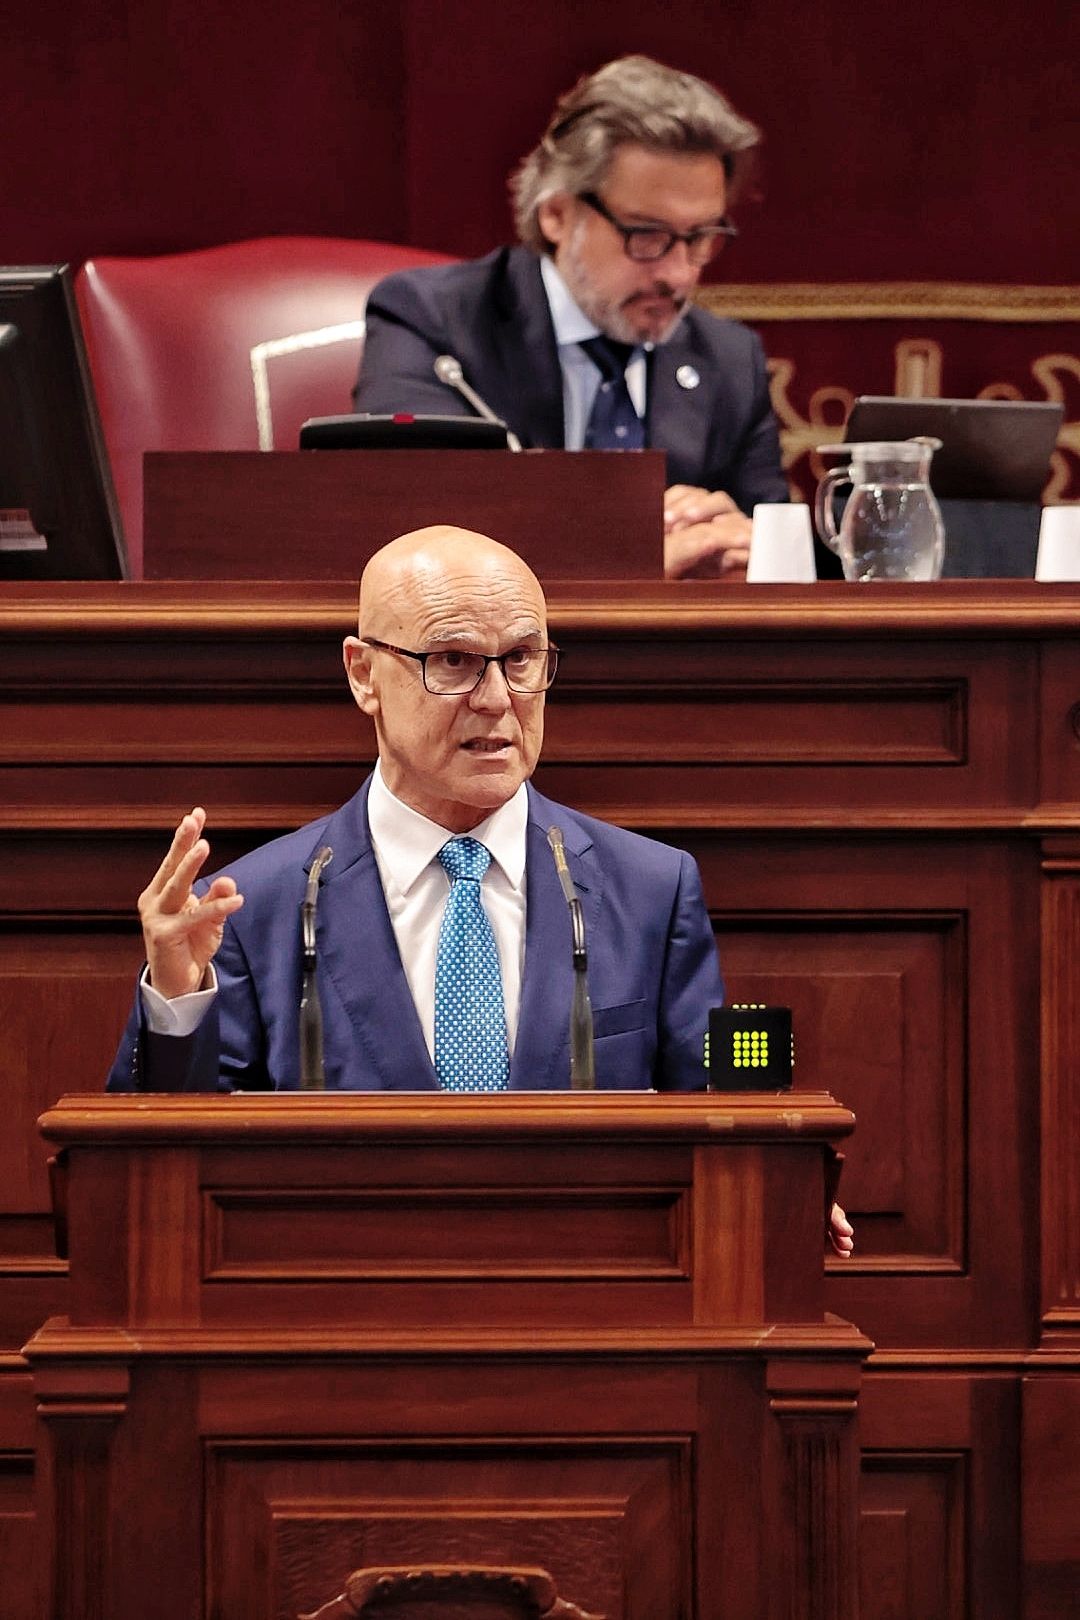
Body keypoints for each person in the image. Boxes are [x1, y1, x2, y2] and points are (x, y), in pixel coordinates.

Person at [105, 525, 853, 1255]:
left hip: (593, 1320)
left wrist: (777, 1185)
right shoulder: (256, 905)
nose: (497, 699)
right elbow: (154, 1193)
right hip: (343, 1322)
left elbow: (719, 1138)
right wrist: (176, 998)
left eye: (522, 658)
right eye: (455, 660)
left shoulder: (649, 890)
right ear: (363, 674)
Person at [352, 55, 792, 582]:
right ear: (557, 213)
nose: (677, 274)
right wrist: (634, 558)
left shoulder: (729, 359)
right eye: (647, 236)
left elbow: (775, 559)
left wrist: (744, 548)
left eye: (699, 238)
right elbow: (406, 529)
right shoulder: (432, 321)